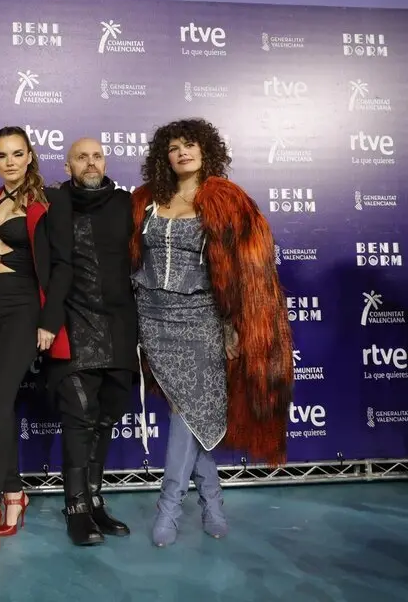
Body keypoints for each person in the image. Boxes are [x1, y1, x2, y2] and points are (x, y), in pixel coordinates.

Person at [130, 118, 293, 547]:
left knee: (188, 413)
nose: (182, 152)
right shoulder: (146, 201)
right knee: (189, 415)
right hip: (152, 317)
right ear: (163, 156)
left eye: (191, 145)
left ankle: (168, 508)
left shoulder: (226, 201)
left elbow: (249, 270)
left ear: (207, 151)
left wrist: (238, 325)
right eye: (174, 147)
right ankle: (212, 501)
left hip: (200, 318)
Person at [0, 126, 73, 555]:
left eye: (16, 154)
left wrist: (49, 321)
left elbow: (62, 267)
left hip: (24, 311)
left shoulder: (48, 202)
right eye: (1, 155)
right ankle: (14, 492)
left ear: (29, 156)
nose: (9, 161)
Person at [46, 138, 139, 546]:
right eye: (81, 157)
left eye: (97, 156)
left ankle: (96, 501)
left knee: (106, 419)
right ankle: (76, 508)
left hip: (119, 325)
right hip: (73, 321)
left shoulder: (125, 206)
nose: (90, 163)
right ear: (68, 166)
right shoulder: (53, 203)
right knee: (80, 419)